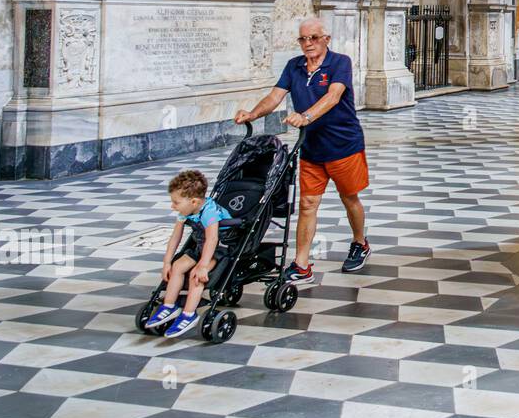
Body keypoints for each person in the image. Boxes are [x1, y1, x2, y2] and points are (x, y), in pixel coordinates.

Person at [235, 18, 371, 283]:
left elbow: (333, 97)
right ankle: (301, 264)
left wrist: (306, 116)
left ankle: (360, 242)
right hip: (310, 147)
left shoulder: (339, 62)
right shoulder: (294, 66)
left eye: (313, 38)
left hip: (343, 145)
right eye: (303, 39)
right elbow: (275, 96)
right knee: (308, 204)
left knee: (349, 197)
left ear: (326, 39)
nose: (308, 44)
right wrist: (252, 113)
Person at [146, 170, 230, 339]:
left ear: (193, 201)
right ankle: (169, 306)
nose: (172, 206)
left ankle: (189, 314)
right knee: (177, 266)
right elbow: (175, 237)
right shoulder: (185, 212)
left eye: (176, 202)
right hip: (200, 245)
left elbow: (212, 239)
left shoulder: (209, 212)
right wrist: (167, 263)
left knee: (195, 275)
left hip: (218, 249)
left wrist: (203, 266)